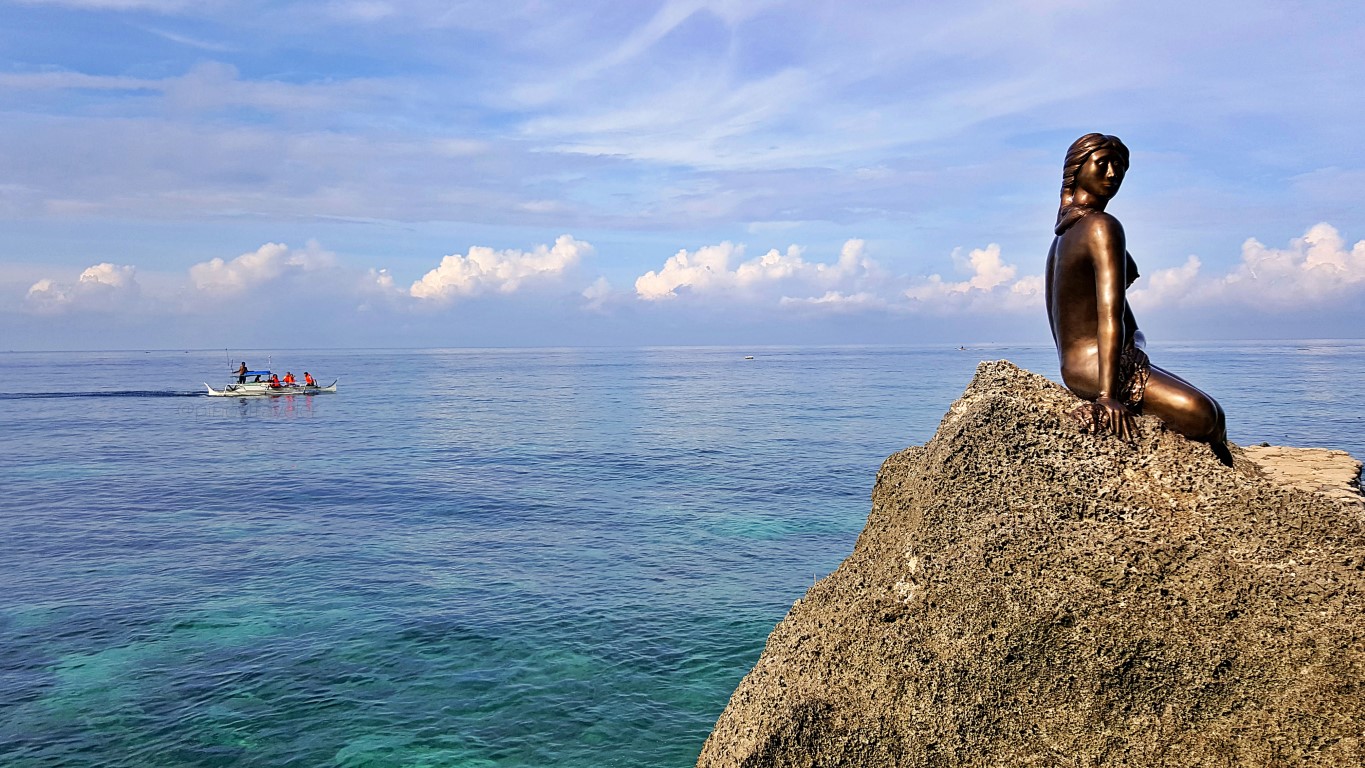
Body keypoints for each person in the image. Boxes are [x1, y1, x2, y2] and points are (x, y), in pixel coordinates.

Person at [1044, 133, 1231, 465]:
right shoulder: (1102, 226)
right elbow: (1109, 315)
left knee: (1215, 411)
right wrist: (1107, 396)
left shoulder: (1062, 237)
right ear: (1077, 169)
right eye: (1103, 164)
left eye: (1120, 167)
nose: (1113, 174)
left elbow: (1059, 320)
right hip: (1100, 368)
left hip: (1079, 365)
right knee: (1206, 417)